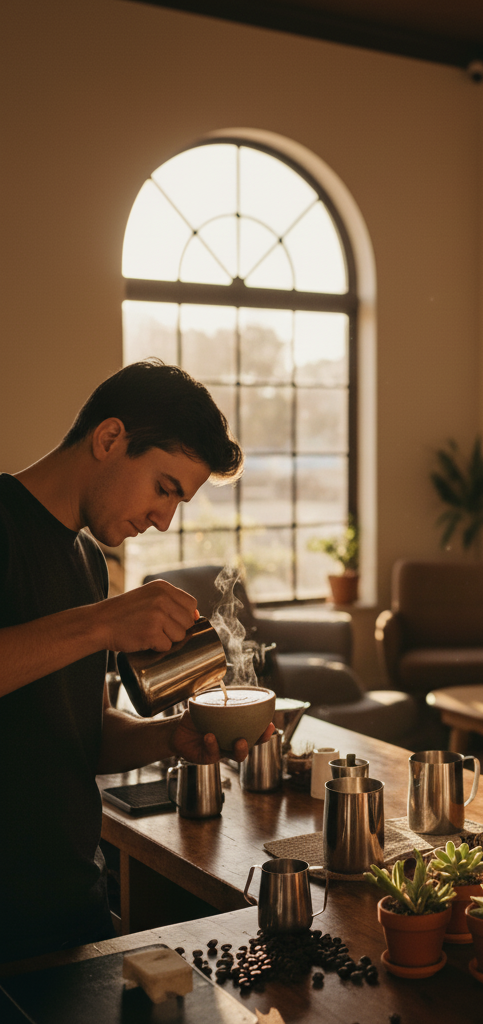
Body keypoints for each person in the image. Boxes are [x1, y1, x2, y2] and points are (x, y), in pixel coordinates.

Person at [0, 360, 272, 963]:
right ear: (108, 438)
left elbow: (87, 736)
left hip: (74, 905)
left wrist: (174, 735)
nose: (164, 519)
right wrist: (103, 622)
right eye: (164, 487)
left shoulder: (89, 562)